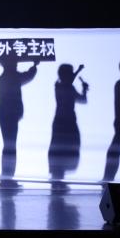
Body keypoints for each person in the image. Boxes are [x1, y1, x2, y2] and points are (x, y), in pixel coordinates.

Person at [0, 53, 39, 188]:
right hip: (9, 114)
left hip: (7, 114)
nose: (16, 64)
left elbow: (26, 76)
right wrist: (34, 66)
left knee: (9, 145)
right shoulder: (10, 76)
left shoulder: (7, 76)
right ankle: (7, 178)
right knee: (10, 146)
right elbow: (27, 76)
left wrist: (34, 66)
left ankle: (7, 177)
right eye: (14, 62)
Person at [48, 63, 89, 191]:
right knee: (63, 150)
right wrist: (79, 73)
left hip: (65, 121)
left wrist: (83, 88)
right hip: (65, 122)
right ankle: (57, 181)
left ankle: (58, 180)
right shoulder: (62, 87)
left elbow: (82, 99)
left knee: (62, 150)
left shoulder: (63, 87)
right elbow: (82, 99)